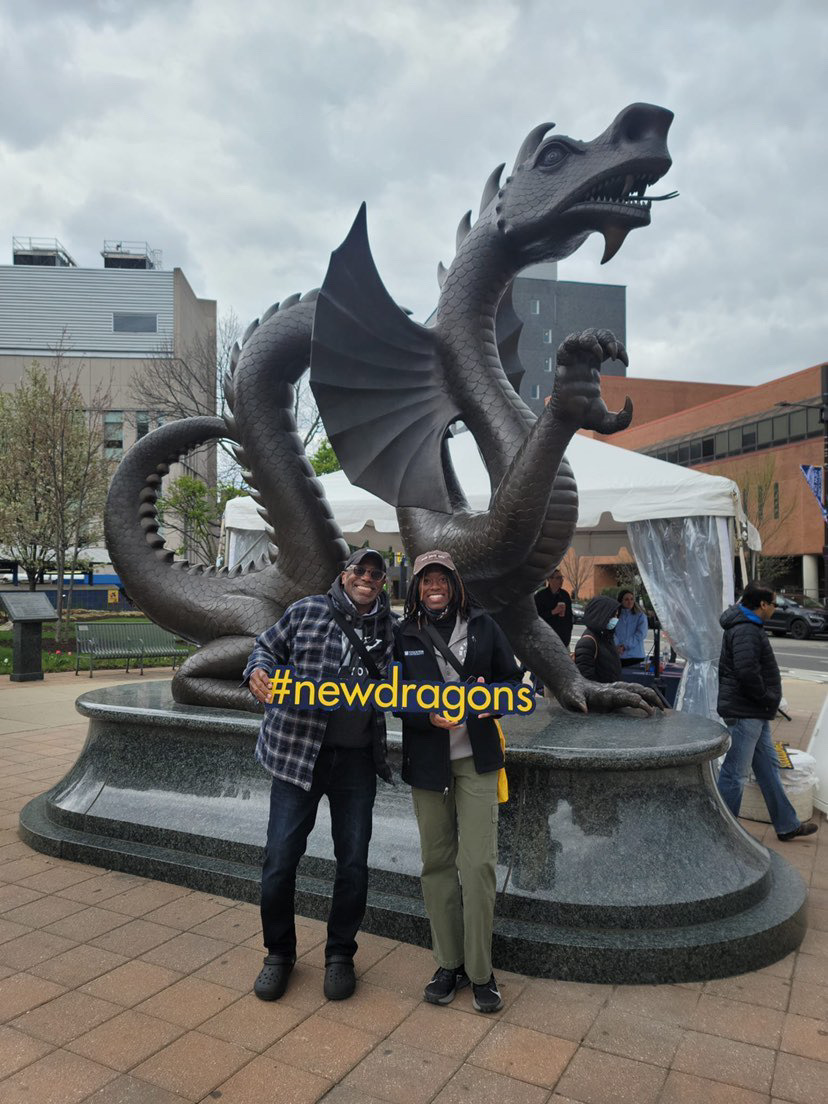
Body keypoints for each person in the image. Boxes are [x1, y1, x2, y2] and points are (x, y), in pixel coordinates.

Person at [245, 548, 395, 1003]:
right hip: (296, 755)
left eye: (375, 573)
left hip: (355, 762)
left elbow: (417, 680)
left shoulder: (391, 627)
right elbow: (265, 647)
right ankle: (279, 954)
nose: (366, 578)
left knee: (352, 863)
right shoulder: (306, 610)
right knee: (279, 860)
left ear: (383, 582)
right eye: (359, 570)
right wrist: (258, 671)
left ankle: (340, 954)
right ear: (344, 575)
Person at [394, 549, 522, 1013]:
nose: (434, 586)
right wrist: (425, 714)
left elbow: (513, 683)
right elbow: (391, 696)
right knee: (437, 865)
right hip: (428, 766)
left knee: (479, 866)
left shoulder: (484, 627)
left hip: (477, 761)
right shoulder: (404, 632)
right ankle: (448, 963)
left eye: (442, 579)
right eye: (427, 579)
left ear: (454, 584)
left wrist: (494, 703)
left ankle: (481, 971)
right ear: (416, 585)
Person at [716, 581, 818, 841]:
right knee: (735, 774)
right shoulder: (746, 630)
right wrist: (766, 697)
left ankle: (787, 824)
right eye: (773, 603)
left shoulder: (748, 626)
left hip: (753, 712)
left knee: (769, 769)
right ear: (762, 604)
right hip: (746, 711)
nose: (775, 607)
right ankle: (722, 833)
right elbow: (746, 671)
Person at [574, 596, 622, 683]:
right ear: (602, 615)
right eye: (613, 616)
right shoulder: (588, 642)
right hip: (601, 694)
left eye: (617, 616)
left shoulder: (606, 636)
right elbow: (586, 679)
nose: (616, 619)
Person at [534, 569, 574, 648]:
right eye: (558, 578)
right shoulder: (540, 596)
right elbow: (536, 618)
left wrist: (567, 635)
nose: (561, 580)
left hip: (563, 639)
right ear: (549, 579)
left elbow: (569, 617)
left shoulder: (565, 595)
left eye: (562, 578)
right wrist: (553, 612)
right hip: (546, 639)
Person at [614, 589, 648, 667]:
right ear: (621, 601)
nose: (630, 601)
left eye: (632, 599)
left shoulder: (640, 615)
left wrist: (624, 646)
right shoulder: (615, 615)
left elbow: (641, 634)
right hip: (618, 655)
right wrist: (617, 646)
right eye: (626, 599)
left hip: (636, 656)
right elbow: (611, 632)